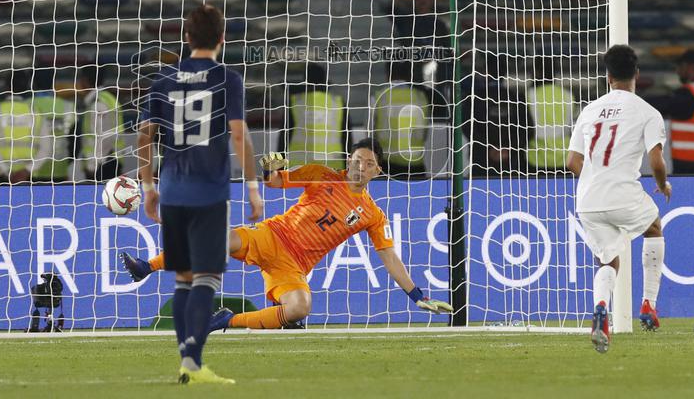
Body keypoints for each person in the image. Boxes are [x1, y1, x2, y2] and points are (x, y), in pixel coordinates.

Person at [122, 140, 451, 335]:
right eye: (356, 159)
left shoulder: (372, 215)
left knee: (300, 307)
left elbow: (389, 256)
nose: (360, 166)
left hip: (293, 265)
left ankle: (225, 321)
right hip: (271, 235)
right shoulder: (320, 175)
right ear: (347, 160)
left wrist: (416, 295)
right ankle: (146, 267)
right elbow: (276, 182)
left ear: (378, 170)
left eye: (368, 163)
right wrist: (269, 169)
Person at [136, 4, 264, 385]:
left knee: (182, 279)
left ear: (186, 38)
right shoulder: (228, 78)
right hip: (210, 192)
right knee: (207, 278)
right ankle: (192, 360)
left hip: (173, 190)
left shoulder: (162, 80)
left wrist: (148, 186)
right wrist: (254, 188)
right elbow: (239, 135)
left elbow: (144, 137)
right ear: (222, 39)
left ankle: (186, 359)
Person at [566, 45, 669, 353]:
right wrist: (663, 186)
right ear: (637, 74)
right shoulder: (647, 112)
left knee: (607, 260)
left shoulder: (589, 109)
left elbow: (572, 161)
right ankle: (649, 304)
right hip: (622, 191)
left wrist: (596, 178)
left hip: (587, 198)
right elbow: (656, 161)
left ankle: (600, 310)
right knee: (653, 228)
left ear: (607, 76)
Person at [0, 69, 53, 184]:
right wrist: (27, 170)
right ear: (27, 88)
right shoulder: (36, 113)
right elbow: (46, 149)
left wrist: (6, 171)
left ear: (6, 87)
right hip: (29, 177)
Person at [280, 63, 349, 171]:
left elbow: (284, 137)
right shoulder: (337, 103)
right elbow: (347, 137)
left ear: (305, 80)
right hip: (332, 167)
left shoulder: (295, 102)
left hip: (299, 167)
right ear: (325, 80)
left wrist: (279, 167)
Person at [371, 61, 430, 179]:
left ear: (388, 74)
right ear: (409, 75)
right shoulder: (421, 97)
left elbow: (369, 132)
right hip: (415, 165)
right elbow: (425, 133)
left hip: (387, 164)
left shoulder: (379, 97)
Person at [525, 58, 576, 171]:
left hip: (536, 159)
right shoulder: (568, 95)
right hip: (564, 159)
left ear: (536, 72)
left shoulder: (529, 95)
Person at [78, 65, 126, 182]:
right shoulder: (108, 98)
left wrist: (92, 165)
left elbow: (103, 136)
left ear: (84, 81)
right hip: (110, 159)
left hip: (102, 164)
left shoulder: (98, 103)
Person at [30, 68, 74, 183]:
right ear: (53, 82)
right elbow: (76, 141)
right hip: (59, 169)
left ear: (33, 82)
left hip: (31, 170)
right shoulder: (68, 106)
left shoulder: (26, 106)